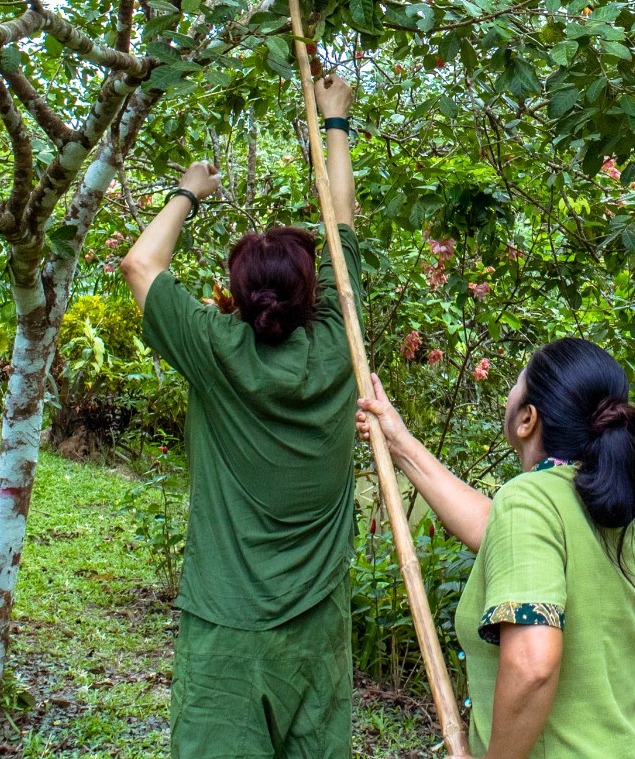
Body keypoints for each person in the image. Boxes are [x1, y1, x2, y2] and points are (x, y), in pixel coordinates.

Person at [117, 75, 363, 759]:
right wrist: (333, 120)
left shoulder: (214, 347)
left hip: (226, 624)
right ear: (315, 293)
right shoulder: (344, 341)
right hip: (317, 630)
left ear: (239, 291)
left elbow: (141, 262)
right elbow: (343, 230)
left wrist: (190, 189)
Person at [356, 338, 635, 759]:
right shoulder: (602, 506)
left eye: (518, 380)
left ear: (527, 419)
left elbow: (533, 666)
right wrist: (400, 443)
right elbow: (496, 532)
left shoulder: (529, 503)